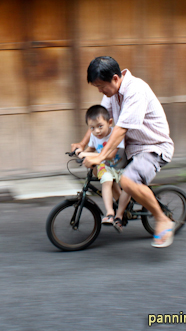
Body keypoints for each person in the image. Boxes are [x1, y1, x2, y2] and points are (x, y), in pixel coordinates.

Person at [70, 56, 175, 248]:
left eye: (101, 86)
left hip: (153, 147)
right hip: (130, 148)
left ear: (116, 78)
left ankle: (162, 219)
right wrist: (82, 144)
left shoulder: (136, 90)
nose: (100, 91)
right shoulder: (112, 93)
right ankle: (123, 208)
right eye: (97, 88)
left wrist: (101, 155)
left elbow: (120, 130)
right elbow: (98, 120)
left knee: (127, 179)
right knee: (98, 169)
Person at [75, 105, 130, 232]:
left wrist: (87, 154)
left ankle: (120, 215)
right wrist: (80, 152)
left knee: (129, 186)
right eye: (92, 128)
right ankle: (110, 213)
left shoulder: (115, 135)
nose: (97, 131)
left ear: (109, 122)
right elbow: (91, 149)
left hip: (121, 167)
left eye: (100, 126)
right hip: (107, 167)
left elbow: (110, 155)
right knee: (106, 180)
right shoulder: (94, 136)